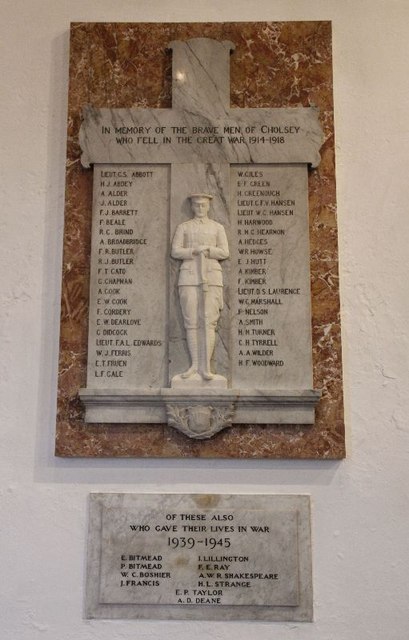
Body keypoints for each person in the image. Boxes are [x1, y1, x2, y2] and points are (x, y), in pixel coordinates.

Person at [171, 194, 229, 381]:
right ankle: (194, 364)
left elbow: (224, 251)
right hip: (189, 275)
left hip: (211, 275)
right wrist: (193, 251)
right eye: (197, 205)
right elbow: (176, 250)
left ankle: (206, 367)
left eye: (203, 205)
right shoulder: (184, 227)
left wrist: (208, 250)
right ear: (192, 207)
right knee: (192, 321)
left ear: (208, 207)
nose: (200, 208)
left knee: (209, 321)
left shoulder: (217, 228)